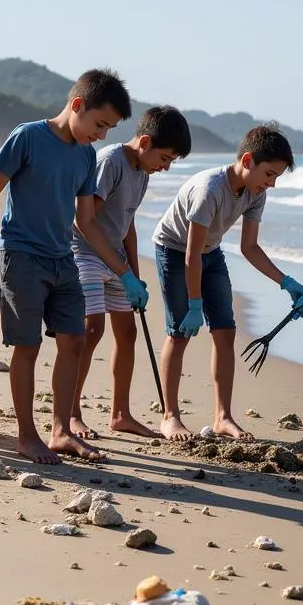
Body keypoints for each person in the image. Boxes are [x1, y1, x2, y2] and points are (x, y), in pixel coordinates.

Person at [0, 69, 132, 465]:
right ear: (77, 105)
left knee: (75, 340)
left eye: (109, 129)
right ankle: (27, 437)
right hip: (19, 257)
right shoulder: (28, 136)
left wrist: (124, 272)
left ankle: (61, 429)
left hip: (63, 259)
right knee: (27, 347)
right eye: (100, 124)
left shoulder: (85, 155)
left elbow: (87, 221)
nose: (102, 136)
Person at [151, 123, 303, 441]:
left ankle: (223, 417)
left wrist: (287, 282)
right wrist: (194, 304)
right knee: (180, 332)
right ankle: (170, 416)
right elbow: (190, 253)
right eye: (269, 174)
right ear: (248, 161)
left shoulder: (255, 193)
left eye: (277, 177)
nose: (272, 184)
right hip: (174, 250)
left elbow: (249, 248)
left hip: (210, 253)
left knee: (225, 332)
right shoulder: (209, 190)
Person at [69, 105, 192, 439]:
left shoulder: (142, 172)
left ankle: (120, 414)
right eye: (165, 158)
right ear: (145, 142)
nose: (165, 168)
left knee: (127, 333)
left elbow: (128, 225)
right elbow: (84, 222)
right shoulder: (111, 161)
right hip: (85, 253)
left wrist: (134, 276)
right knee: (91, 329)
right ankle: (71, 413)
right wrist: (121, 271)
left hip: (117, 259)